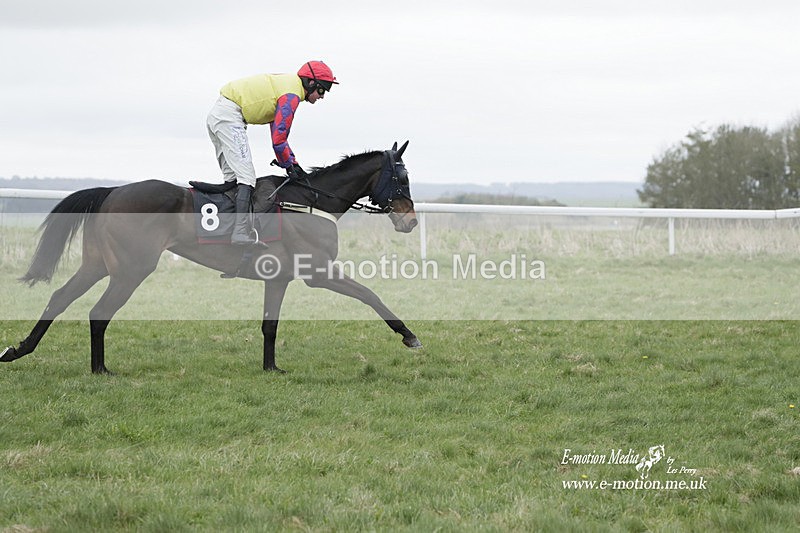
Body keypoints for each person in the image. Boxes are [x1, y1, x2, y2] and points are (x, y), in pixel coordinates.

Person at [206, 60, 338, 245]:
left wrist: (291, 163)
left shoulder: (288, 88)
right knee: (247, 178)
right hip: (229, 117)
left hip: (219, 114)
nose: (322, 96)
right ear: (310, 83)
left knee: (232, 180)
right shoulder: (291, 96)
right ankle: (240, 233)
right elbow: (279, 141)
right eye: (323, 89)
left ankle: (226, 232)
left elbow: (277, 134)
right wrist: (289, 165)